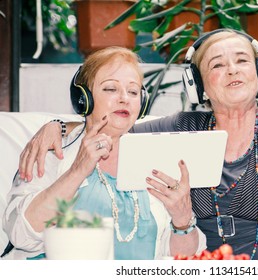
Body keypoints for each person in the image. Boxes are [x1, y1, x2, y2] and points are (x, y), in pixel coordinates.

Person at [13, 29, 258, 260]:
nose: (233, 69)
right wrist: (56, 126)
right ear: (199, 88)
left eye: (241, 61)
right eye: (218, 65)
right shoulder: (179, 131)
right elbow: (112, 125)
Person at [2, 46, 206, 260]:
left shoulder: (155, 157)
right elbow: (21, 233)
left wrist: (182, 220)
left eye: (133, 92)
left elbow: (184, 258)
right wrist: (77, 170)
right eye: (111, 89)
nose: (124, 98)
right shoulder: (53, 149)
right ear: (84, 98)